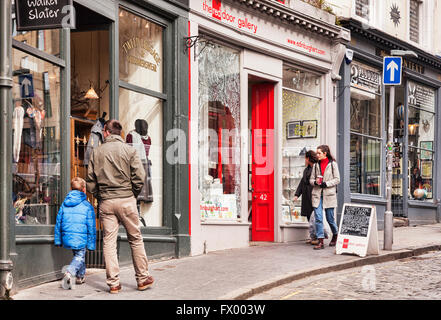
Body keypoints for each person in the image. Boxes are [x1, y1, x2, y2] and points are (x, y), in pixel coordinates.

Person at [86, 119, 154, 294]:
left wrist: (100, 196)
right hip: (126, 200)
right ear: (120, 134)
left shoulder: (97, 152)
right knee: (135, 238)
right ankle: (142, 278)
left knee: (109, 242)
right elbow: (140, 177)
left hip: (107, 202)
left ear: (106, 133)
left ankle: (114, 283)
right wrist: (132, 193)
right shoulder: (130, 150)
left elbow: (90, 182)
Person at [54, 177, 96, 289]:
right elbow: (91, 227)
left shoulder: (64, 204)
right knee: (80, 255)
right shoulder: (87, 206)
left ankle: (80, 276)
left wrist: (58, 240)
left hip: (67, 236)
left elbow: (58, 222)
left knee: (78, 255)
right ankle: (69, 272)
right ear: (84, 190)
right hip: (81, 237)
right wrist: (91, 244)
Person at [293, 150, 328, 245]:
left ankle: (318, 237)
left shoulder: (317, 168)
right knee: (309, 216)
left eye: (305, 158)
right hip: (306, 196)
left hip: (314, 195)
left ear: (308, 158)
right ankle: (313, 236)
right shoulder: (306, 169)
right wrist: (297, 194)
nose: (305, 160)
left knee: (316, 217)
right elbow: (301, 183)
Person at [309, 145, 340, 250]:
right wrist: (315, 182)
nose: (317, 155)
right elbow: (311, 180)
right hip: (317, 195)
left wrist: (326, 184)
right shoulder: (315, 165)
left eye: (319, 153)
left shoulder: (332, 164)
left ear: (325, 153)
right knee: (318, 218)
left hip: (329, 195)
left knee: (330, 218)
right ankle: (320, 241)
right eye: (317, 153)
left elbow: (337, 179)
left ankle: (335, 235)